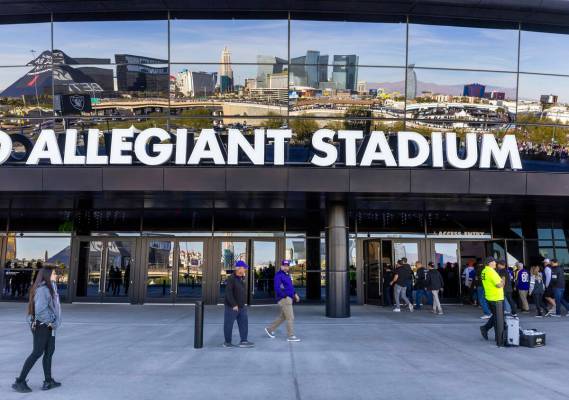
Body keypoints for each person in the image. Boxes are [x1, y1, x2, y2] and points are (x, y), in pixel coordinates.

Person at [13, 262, 62, 393]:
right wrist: (51, 322)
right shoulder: (43, 290)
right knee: (37, 352)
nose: (56, 275)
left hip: (50, 326)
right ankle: (20, 381)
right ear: (47, 275)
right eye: (54, 273)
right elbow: (40, 311)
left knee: (49, 351)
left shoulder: (51, 287)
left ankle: (48, 380)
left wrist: (54, 323)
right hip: (42, 326)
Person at [265, 260, 301, 342]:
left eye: (287, 266)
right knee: (290, 317)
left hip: (289, 298)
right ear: (281, 266)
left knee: (283, 317)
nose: (286, 267)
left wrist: (295, 294)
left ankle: (269, 329)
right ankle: (290, 336)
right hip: (285, 299)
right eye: (284, 265)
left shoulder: (287, 275)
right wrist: (285, 296)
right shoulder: (279, 275)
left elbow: (290, 287)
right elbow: (277, 288)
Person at [223, 260, 254, 348]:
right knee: (228, 324)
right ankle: (227, 342)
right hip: (232, 307)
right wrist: (234, 304)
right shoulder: (231, 278)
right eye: (244, 268)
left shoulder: (241, 278)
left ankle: (243, 341)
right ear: (239, 269)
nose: (245, 270)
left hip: (241, 306)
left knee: (244, 323)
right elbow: (228, 293)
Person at [479, 257, 505, 345]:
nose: (495, 263)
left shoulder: (484, 271)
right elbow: (499, 285)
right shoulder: (491, 272)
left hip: (489, 297)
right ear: (489, 263)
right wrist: (503, 281)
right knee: (498, 318)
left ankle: (486, 329)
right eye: (494, 262)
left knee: (496, 316)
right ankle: (499, 338)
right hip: (496, 298)